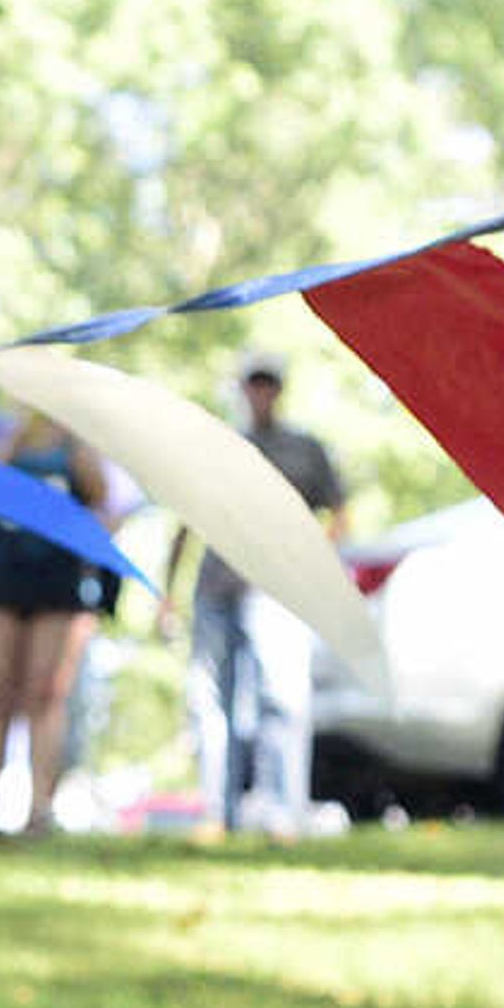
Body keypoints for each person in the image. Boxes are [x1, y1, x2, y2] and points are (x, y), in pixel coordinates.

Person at [0, 374, 115, 843]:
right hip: (2, 576)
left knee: (45, 692)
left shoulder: (76, 442)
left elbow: (100, 496)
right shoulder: (0, 437)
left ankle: (41, 810)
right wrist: (10, 445)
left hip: (57, 579)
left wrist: (75, 438)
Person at [179, 353, 347, 838]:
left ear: (280, 389)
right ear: (242, 388)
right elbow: (189, 519)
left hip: (278, 590)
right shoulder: (222, 447)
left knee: (281, 697)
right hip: (216, 587)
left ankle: (283, 812)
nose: (261, 392)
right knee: (212, 702)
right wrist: (169, 589)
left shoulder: (305, 449)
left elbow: (338, 513)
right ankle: (218, 812)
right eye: (253, 383)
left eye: (268, 383)